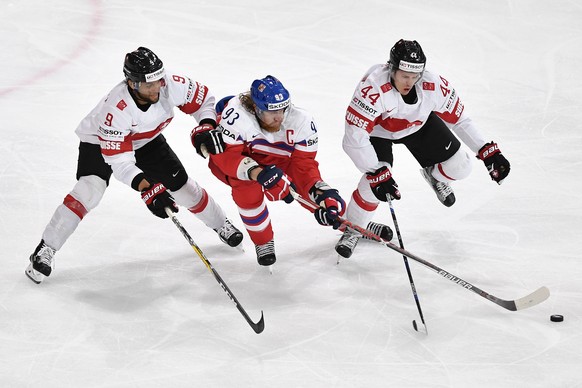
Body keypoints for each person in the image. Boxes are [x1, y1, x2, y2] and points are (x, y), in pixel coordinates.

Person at [26, 47, 243, 284]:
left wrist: (206, 125)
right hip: (99, 142)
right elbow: (120, 162)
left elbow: (204, 101)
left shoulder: (169, 84)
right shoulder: (116, 109)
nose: (157, 88)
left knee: (183, 187)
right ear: (131, 83)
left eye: (158, 80)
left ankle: (221, 224)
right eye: (149, 84)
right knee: (89, 191)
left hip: (146, 140)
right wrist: (147, 188)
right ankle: (46, 248)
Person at [336, 39, 511, 258]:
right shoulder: (372, 88)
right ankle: (354, 228)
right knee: (373, 185)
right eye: (404, 76)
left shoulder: (434, 85)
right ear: (391, 69)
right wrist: (376, 172)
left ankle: (435, 176)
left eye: (415, 76)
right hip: (378, 130)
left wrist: (488, 151)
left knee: (461, 167)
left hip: (418, 124)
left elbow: (460, 120)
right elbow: (354, 139)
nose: (410, 82)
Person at [201, 76, 388, 266]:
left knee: (309, 194)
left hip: (278, 160)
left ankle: (352, 223)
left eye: (282, 109)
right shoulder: (236, 115)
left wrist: (321, 193)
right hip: (240, 162)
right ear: (257, 109)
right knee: (247, 191)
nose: (279, 117)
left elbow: (304, 165)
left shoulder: (302, 121)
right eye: (272, 112)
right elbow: (224, 157)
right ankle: (263, 242)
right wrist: (257, 173)